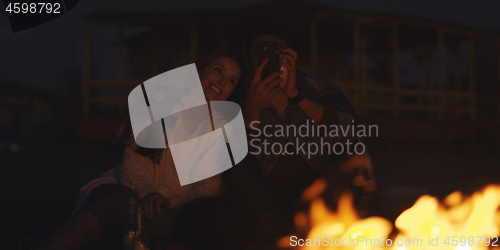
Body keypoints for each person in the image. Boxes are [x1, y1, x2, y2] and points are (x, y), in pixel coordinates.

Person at [30, 48, 244, 250]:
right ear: (200, 70)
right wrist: (149, 193)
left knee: (161, 219)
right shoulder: (162, 103)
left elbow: (210, 188)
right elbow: (133, 162)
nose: (223, 81)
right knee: (126, 203)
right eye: (218, 70)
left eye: (232, 81)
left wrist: (165, 201)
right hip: (124, 187)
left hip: (167, 205)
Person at [221, 23, 375, 243]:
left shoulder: (317, 89)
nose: (270, 58)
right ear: (249, 59)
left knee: (350, 150)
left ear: (291, 56)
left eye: (278, 52)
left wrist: (296, 95)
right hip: (263, 199)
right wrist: (252, 109)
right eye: (262, 52)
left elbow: (349, 129)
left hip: (317, 186)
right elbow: (227, 156)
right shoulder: (236, 97)